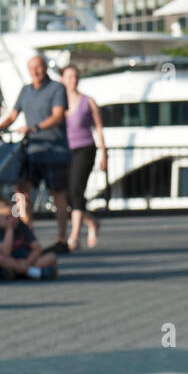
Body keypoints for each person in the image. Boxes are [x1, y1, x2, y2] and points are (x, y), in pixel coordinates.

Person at [0, 55, 70, 248]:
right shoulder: (26, 90)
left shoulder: (57, 88)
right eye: (31, 69)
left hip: (54, 150)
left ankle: (62, 238)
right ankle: (28, 234)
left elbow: (58, 116)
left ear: (45, 68)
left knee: (57, 194)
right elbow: (13, 115)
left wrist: (36, 127)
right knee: (22, 190)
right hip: (31, 150)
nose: (35, 72)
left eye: (38, 68)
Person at [62, 64, 107, 251]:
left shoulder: (88, 101)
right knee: (65, 195)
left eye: (75, 76)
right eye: (69, 77)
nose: (73, 80)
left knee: (76, 190)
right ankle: (91, 222)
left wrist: (104, 152)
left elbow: (99, 127)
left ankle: (74, 236)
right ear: (63, 79)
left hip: (85, 148)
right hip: (64, 151)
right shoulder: (58, 103)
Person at [0, 198, 57, 280]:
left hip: (25, 260)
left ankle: (19, 272)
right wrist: (9, 229)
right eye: (7, 217)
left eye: (14, 215)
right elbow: (5, 252)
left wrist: (27, 262)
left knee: (52, 256)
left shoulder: (22, 226)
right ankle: (32, 272)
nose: (12, 219)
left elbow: (37, 248)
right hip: (8, 261)